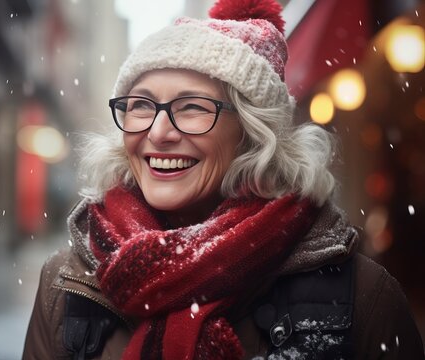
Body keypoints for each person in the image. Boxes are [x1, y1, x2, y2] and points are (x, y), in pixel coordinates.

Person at [23, 0, 425, 358]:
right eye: (142, 104)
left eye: (193, 107)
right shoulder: (68, 283)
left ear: (253, 134)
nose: (159, 132)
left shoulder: (361, 297)